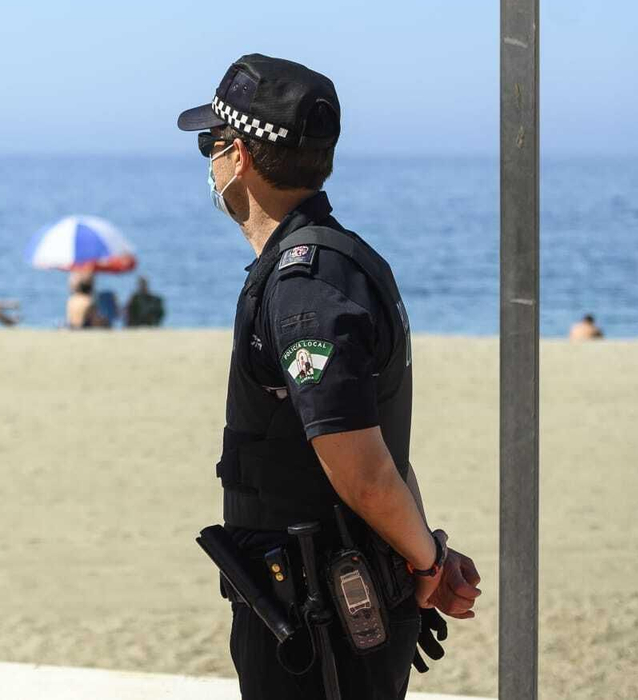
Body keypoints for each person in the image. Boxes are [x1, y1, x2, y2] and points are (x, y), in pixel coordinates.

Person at [177, 53, 481, 699]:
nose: (209, 162)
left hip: (319, 618)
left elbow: (362, 466)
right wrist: (423, 549)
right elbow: (380, 443)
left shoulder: (304, 283)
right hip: (316, 600)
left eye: (211, 143)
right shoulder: (342, 262)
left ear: (242, 158)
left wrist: (425, 560)